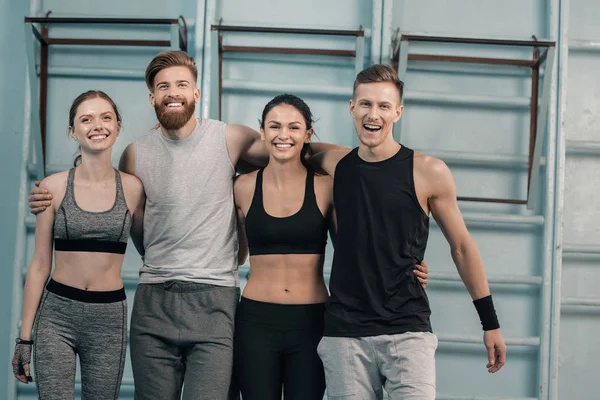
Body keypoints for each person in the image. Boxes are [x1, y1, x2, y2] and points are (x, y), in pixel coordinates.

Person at [27, 51, 342, 399]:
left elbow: (289, 147)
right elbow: (125, 218)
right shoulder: (135, 154)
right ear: (153, 98)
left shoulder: (230, 139)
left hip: (214, 301)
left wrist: (363, 158)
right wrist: (50, 199)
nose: (172, 92)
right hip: (155, 300)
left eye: (181, 84)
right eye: (163, 86)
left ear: (196, 94)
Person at [313, 64, 508, 400]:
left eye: (384, 106)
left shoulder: (428, 171)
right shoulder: (335, 164)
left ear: (398, 113)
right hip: (345, 333)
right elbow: (287, 149)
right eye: (365, 104)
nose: (373, 114)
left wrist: (490, 323)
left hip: (407, 329)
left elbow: (461, 247)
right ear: (352, 107)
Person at [232, 93, 429, 400]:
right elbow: (237, 253)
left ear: (308, 134)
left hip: (312, 321)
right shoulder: (242, 187)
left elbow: (355, 249)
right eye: (275, 126)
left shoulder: (325, 187)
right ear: (262, 131)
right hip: (256, 321)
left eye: (294, 127)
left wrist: (404, 265)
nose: (284, 135)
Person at [12, 90, 145, 399]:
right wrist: (24, 338)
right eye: (86, 119)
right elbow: (40, 265)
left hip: (108, 319)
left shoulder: (134, 188)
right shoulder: (52, 188)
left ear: (118, 126)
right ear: (73, 131)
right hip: (57, 315)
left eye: (106, 117)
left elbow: (153, 247)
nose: (97, 125)